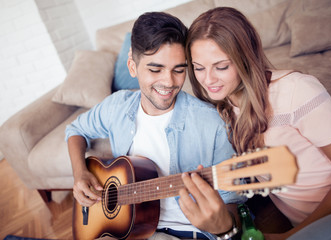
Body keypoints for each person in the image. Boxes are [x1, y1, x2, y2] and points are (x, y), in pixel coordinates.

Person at [65, 11, 245, 240]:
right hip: (130, 227)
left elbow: (234, 208)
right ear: (132, 66)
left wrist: (223, 225)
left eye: (179, 70)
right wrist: (80, 173)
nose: (169, 82)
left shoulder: (214, 126)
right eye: (155, 69)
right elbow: (75, 130)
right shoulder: (117, 106)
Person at [184, 7, 331, 240]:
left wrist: (293, 234)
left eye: (221, 66)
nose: (208, 80)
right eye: (198, 68)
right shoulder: (221, 107)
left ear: (244, 58)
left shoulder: (297, 91)